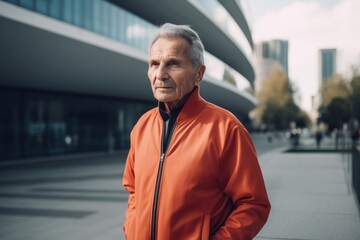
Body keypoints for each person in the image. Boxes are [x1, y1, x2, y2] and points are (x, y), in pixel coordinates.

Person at [123, 23, 271, 240]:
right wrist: (132, 231)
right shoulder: (141, 127)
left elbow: (253, 204)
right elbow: (134, 191)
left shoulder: (226, 129)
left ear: (199, 74)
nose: (160, 74)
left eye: (173, 64)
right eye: (154, 64)